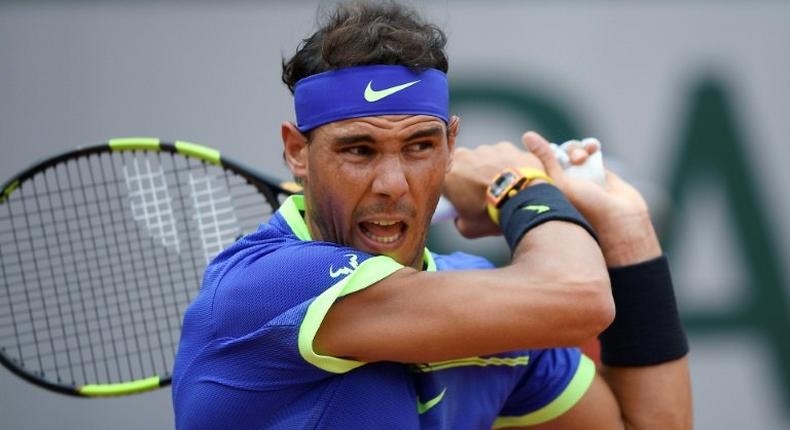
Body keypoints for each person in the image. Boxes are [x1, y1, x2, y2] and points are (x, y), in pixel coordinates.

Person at [172, 1, 691, 429]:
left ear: (451, 146)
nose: (393, 184)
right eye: (359, 151)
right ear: (296, 152)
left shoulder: (486, 309)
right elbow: (581, 298)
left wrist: (627, 230)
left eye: (420, 146)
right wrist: (516, 185)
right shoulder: (267, 287)